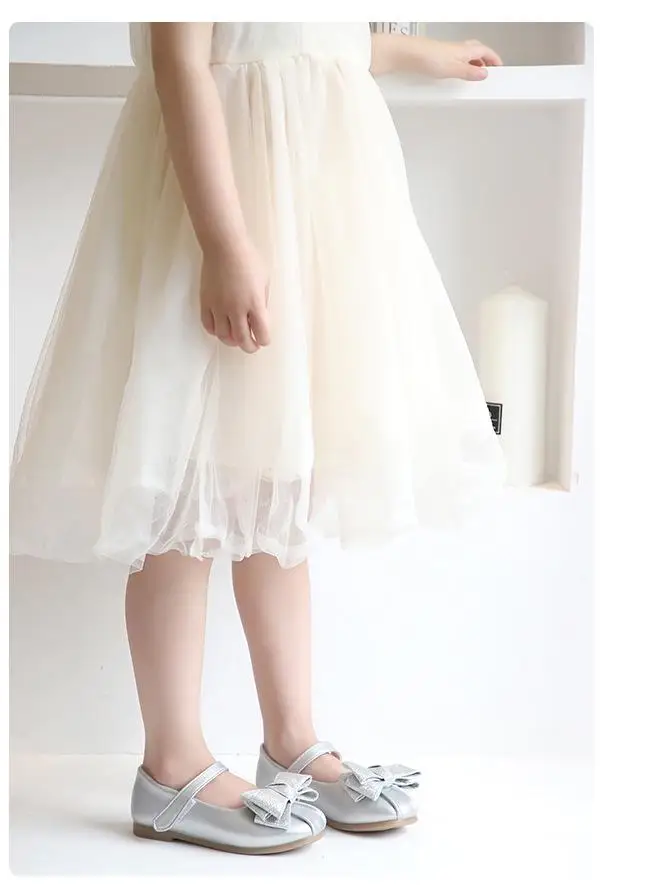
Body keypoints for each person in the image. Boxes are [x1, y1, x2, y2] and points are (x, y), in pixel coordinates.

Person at [10, 23, 506, 854]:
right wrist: (224, 243)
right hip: (219, 207)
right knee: (186, 485)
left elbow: (319, 30)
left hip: (310, 210)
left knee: (278, 481)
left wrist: (422, 54)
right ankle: (171, 761)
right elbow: (181, 60)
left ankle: (291, 737)